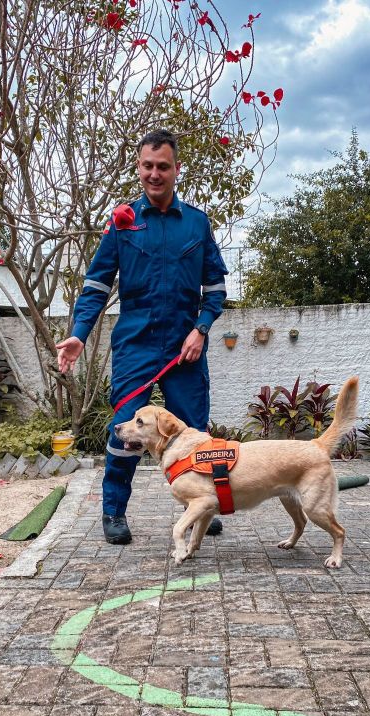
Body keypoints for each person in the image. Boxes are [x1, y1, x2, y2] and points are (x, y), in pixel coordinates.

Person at [56, 129, 228, 544]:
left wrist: (201, 329)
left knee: (192, 434)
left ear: (176, 169)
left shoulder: (197, 223)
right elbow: (96, 286)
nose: (154, 174)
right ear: (138, 167)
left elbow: (215, 289)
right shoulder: (123, 224)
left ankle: (201, 506)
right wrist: (79, 334)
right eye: (147, 166)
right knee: (125, 432)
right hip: (136, 346)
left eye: (162, 166)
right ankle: (113, 512)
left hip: (185, 349)